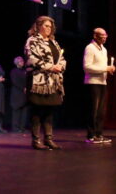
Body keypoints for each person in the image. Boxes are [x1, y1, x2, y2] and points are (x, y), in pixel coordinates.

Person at [25, 16, 66, 150]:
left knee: (49, 110)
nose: (49, 28)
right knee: (37, 110)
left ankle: (48, 139)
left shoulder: (54, 42)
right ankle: (36, 140)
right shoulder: (33, 40)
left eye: (50, 26)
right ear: (38, 26)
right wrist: (50, 67)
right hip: (39, 81)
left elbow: (62, 58)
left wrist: (60, 66)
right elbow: (32, 59)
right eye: (46, 26)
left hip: (53, 81)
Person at [83, 28, 116, 144]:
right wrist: (105, 68)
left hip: (102, 82)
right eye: (102, 35)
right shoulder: (90, 48)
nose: (105, 37)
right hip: (92, 83)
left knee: (101, 111)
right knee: (93, 110)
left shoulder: (104, 49)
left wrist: (109, 70)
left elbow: (102, 66)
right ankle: (91, 135)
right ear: (95, 36)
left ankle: (99, 133)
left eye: (105, 35)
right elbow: (87, 67)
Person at [10, 56, 28, 133]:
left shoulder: (25, 71)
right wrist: (23, 88)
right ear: (17, 63)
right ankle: (15, 128)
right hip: (17, 94)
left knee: (24, 111)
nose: (22, 62)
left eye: (22, 61)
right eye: (20, 61)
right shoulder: (14, 71)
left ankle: (22, 128)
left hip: (25, 94)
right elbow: (15, 82)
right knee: (16, 111)